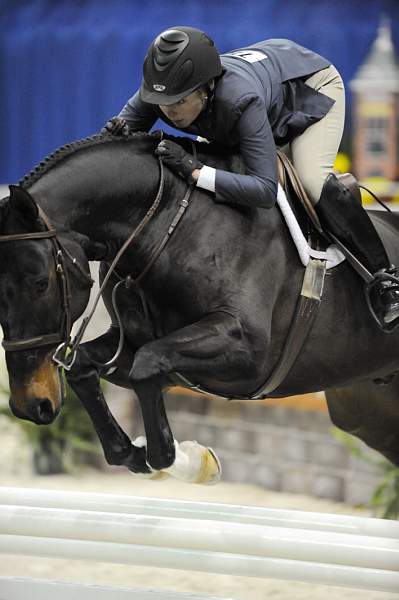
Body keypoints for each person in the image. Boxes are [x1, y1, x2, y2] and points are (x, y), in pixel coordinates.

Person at [103, 26, 399, 329]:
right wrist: (109, 140)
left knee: (311, 181)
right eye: (165, 103)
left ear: (207, 88)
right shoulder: (161, 91)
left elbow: (264, 190)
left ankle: (386, 280)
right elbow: (111, 144)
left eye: (180, 102)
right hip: (266, 77)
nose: (171, 111)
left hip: (310, 86)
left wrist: (195, 171)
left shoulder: (240, 100)